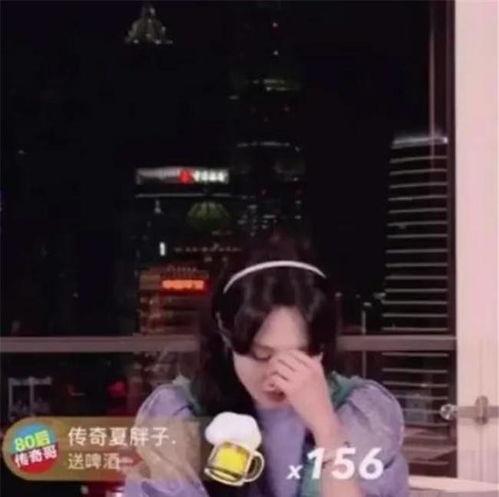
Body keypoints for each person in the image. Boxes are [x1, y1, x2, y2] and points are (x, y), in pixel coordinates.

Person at [123, 228, 409, 497]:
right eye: (262, 354)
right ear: (226, 333)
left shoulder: (362, 415)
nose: (278, 376)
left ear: (322, 347)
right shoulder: (178, 415)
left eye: (301, 355)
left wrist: (328, 431)